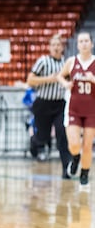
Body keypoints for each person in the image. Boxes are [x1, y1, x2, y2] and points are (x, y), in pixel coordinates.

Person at [26, 34, 72, 176]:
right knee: (43, 137)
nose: (56, 47)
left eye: (58, 45)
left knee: (62, 134)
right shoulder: (43, 61)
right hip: (43, 104)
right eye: (53, 45)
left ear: (62, 47)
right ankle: (34, 142)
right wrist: (49, 79)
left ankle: (67, 169)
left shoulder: (66, 63)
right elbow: (30, 80)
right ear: (49, 47)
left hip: (59, 104)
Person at [57, 31, 95, 190]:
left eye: (87, 40)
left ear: (91, 44)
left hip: (91, 110)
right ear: (78, 45)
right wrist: (65, 84)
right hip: (73, 108)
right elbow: (60, 76)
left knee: (87, 145)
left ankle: (84, 175)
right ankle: (75, 157)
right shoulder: (72, 61)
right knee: (73, 144)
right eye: (81, 41)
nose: (84, 43)